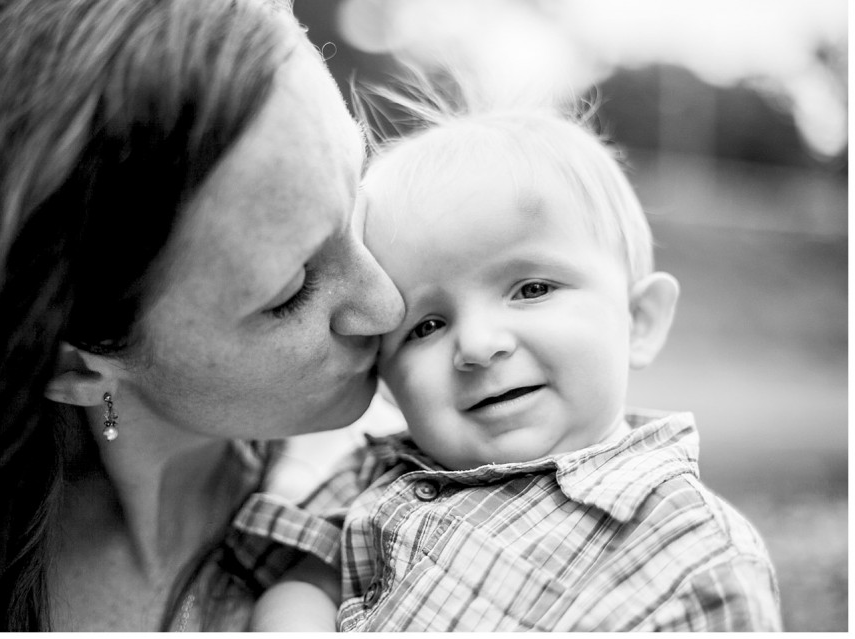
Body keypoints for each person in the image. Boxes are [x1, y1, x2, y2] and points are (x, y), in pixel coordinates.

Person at [0, 0, 405, 631]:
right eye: (290, 291)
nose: (387, 303)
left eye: (357, 182)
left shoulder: (437, 476)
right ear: (71, 365)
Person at [242, 93, 783, 631]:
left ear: (638, 320)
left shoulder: (691, 548)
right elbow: (304, 580)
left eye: (532, 289)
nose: (478, 345)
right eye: (426, 326)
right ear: (385, 380)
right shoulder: (372, 477)